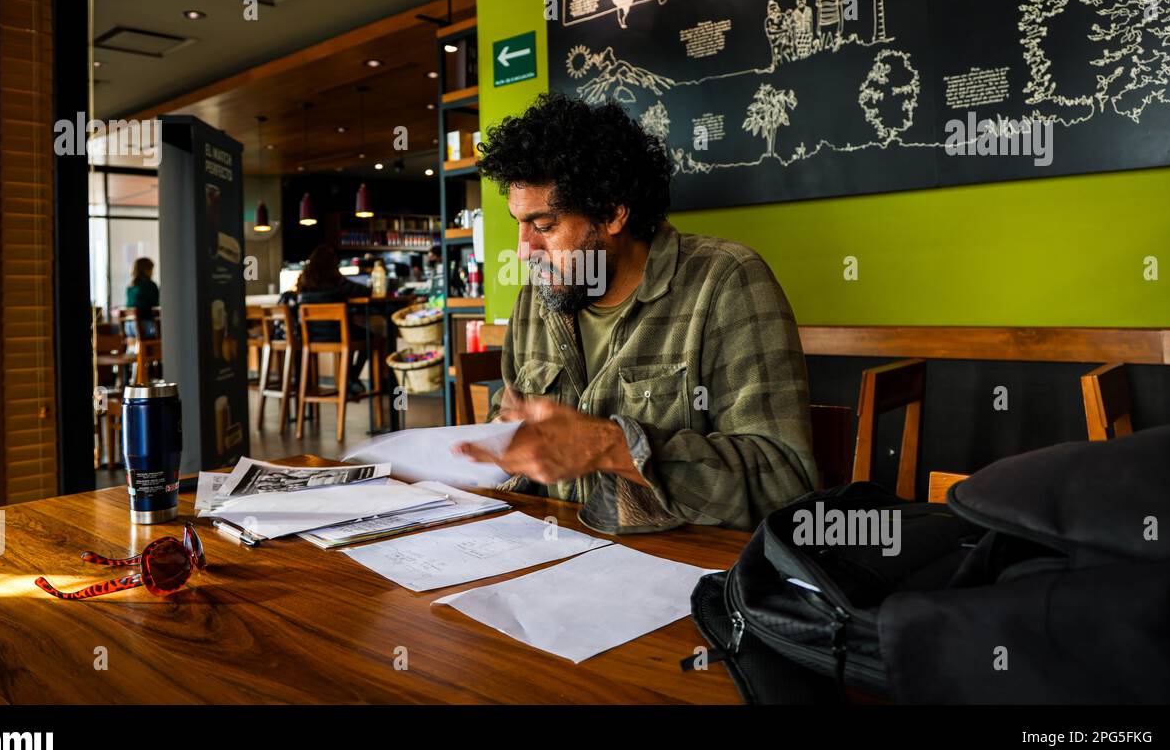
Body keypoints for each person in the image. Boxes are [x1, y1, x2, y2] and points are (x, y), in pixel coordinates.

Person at [456, 92, 818, 534]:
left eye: (545, 226)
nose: (523, 250)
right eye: (520, 224)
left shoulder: (725, 282)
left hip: (681, 574)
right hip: (545, 558)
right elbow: (510, 432)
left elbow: (785, 483)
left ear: (612, 212)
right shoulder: (537, 296)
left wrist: (612, 447)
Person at [280, 245, 376, 392]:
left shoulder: (304, 284)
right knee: (371, 338)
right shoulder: (337, 282)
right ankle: (351, 376)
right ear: (333, 264)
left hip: (309, 337)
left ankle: (309, 386)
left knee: (356, 334)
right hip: (339, 334)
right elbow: (364, 291)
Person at [125, 257, 159, 326]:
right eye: (151, 270)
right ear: (146, 270)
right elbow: (155, 306)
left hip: (128, 327)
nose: (152, 273)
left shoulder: (130, 287)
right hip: (143, 326)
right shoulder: (150, 285)